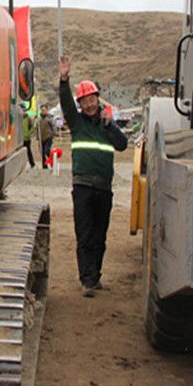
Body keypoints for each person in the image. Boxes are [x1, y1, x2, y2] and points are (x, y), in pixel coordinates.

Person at [58, 56, 128, 297]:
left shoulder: (106, 124)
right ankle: (87, 280)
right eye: (84, 101)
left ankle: (95, 276)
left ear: (98, 99)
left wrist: (111, 126)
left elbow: (122, 145)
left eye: (92, 99)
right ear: (80, 104)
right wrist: (64, 79)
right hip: (83, 188)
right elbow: (66, 103)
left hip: (104, 189)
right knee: (85, 235)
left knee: (100, 236)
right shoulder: (77, 123)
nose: (89, 104)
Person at [38, 104, 54, 169]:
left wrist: (52, 135)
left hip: (48, 137)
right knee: (42, 153)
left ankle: (53, 162)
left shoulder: (50, 118)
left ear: (47, 110)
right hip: (41, 138)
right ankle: (45, 167)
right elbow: (37, 129)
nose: (43, 111)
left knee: (46, 151)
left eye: (44, 110)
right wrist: (37, 136)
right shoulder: (39, 119)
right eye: (42, 110)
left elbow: (54, 127)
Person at [21, 99, 36, 168]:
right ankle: (21, 165)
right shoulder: (19, 118)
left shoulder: (28, 118)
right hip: (20, 139)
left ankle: (32, 163)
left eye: (24, 110)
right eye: (22, 111)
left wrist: (28, 134)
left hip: (26, 138)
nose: (23, 112)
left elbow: (32, 127)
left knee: (28, 151)